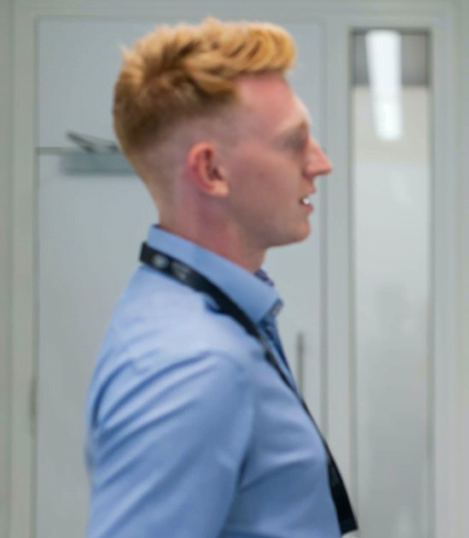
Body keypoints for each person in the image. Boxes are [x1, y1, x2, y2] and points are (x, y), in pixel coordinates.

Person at [84, 18, 356, 537]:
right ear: (211, 171)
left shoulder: (201, 310)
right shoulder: (189, 364)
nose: (320, 163)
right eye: (294, 141)